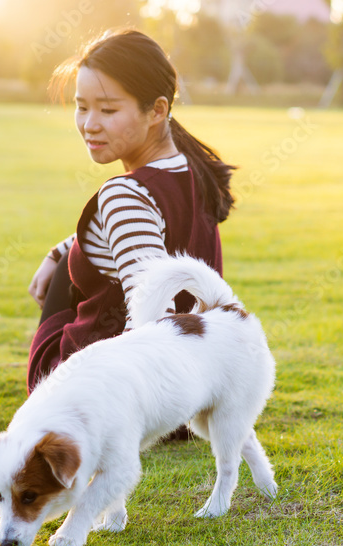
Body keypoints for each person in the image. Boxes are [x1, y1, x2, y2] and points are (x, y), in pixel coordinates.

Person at [25, 29, 236, 393]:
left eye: (108, 110)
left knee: (69, 276)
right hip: (199, 392)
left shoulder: (125, 193)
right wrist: (58, 252)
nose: (90, 124)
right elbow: (143, 231)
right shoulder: (193, 170)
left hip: (116, 394)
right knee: (66, 264)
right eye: (81, 106)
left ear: (157, 110)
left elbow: (153, 310)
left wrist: (129, 404)